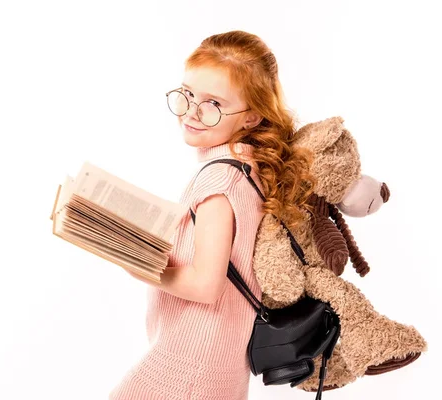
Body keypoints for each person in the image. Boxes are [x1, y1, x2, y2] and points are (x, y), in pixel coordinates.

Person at [109, 30, 316, 400]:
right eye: (188, 94)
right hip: (215, 357)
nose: (191, 111)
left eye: (213, 103)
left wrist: (140, 266)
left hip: (191, 359)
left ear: (252, 116)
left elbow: (207, 285)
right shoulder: (246, 165)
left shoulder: (219, 180)